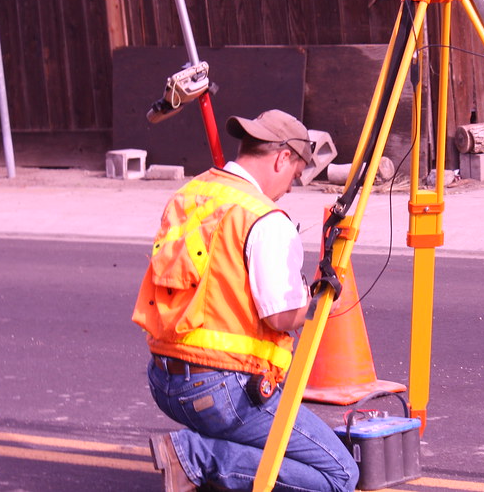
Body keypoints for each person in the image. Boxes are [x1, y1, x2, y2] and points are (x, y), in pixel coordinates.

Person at [132, 109, 358, 492]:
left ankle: (210, 456)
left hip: (167, 382)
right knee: (340, 475)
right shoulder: (265, 218)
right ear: (282, 157)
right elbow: (281, 316)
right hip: (222, 390)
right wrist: (320, 303)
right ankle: (197, 456)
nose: (290, 187)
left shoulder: (192, 194)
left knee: (276, 446)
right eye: (296, 173)